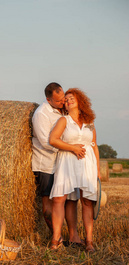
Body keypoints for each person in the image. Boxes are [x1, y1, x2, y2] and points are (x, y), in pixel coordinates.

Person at [32, 83, 85, 244]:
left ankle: (73, 236)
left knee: (70, 199)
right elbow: (46, 142)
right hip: (47, 164)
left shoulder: (62, 110)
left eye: (63, 98)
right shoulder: (41, 114)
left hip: (63, 164)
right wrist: (70, 148)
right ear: (48, 100)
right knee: (49, 200)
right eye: (58, 101)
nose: (63, 102)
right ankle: (57, 236)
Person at [49, 88, 100, 252]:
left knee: (87, 202)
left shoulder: (89, 122)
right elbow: (53, 140)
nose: (68, 100)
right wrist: (72, 148)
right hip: (67, 161)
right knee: (59, 199)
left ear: (80, 101)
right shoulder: (64, 121)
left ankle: (89, 241)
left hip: (87, 163)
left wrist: (98, 170)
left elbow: (94, 146)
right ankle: (55, 239)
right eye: (67, 99)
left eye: (72, 98)